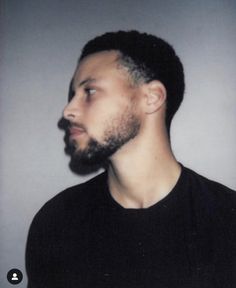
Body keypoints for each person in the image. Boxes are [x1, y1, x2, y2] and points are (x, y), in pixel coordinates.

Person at [26, 30, 236, 288]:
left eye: (89, 91)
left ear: (152, 98)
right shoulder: (56, 221)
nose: (68, 110)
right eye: (73, 95)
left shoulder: (228, 220)